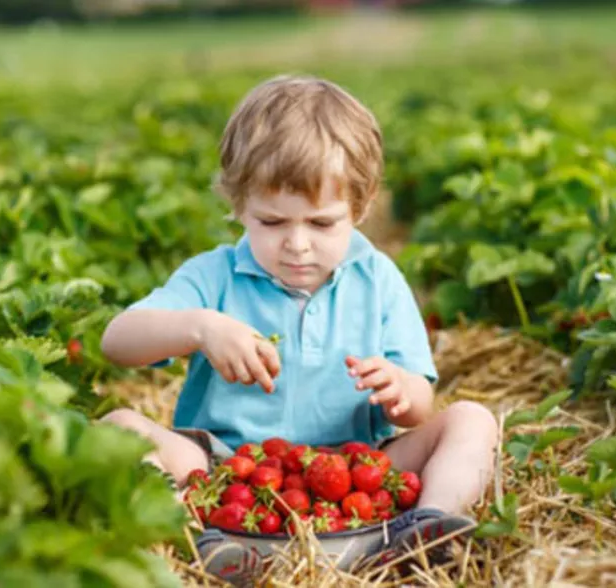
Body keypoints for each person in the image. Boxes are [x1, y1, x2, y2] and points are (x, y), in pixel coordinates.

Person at [99, 74, 499, 584]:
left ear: (362, 205)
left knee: (472, 421)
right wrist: (200, 327)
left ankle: (426, 526)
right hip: (225, 472)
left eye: (321, 223)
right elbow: (117, 340)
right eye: (271, 223)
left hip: (356, 472)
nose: (297, 244)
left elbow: (421, 402)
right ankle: (197, 535)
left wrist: (400, 390)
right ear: (237, 204)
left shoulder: (377, 279)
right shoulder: (213, 277)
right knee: (120, 428)